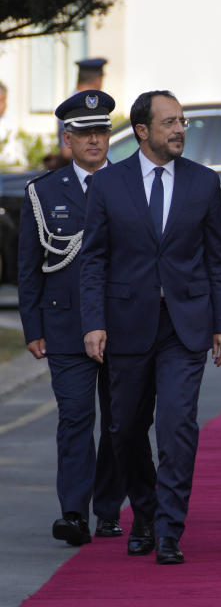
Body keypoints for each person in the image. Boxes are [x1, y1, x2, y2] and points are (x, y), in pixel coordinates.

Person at [78, 90, 221, 565]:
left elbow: (218, 261)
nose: (180, 130)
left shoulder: (204, 183)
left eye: (183, 121)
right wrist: (94, 323)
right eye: (169, 122)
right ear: (143, 131)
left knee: (177, 426)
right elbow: (93, 261)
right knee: (124, 429)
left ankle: (169, 529)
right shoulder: (109, 184)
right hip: (126, 324)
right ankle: (144, 513)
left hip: (185, 326)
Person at [17, 90, 125, 547]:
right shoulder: (43, 192)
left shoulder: (130, 184)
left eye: (101, 131)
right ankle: (75, 513)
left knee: (121, 421)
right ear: (68, 138)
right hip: (65, 326)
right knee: (76, 419)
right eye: (84, 133)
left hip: (123, 324)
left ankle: (109, 509)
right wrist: (33, 327)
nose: (95, 140)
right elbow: (29, 266)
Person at [57, 58, 108, 164]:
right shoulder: (73, 107)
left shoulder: (69, 103)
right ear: (97, 80)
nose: (94, 140)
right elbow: (66, 152)